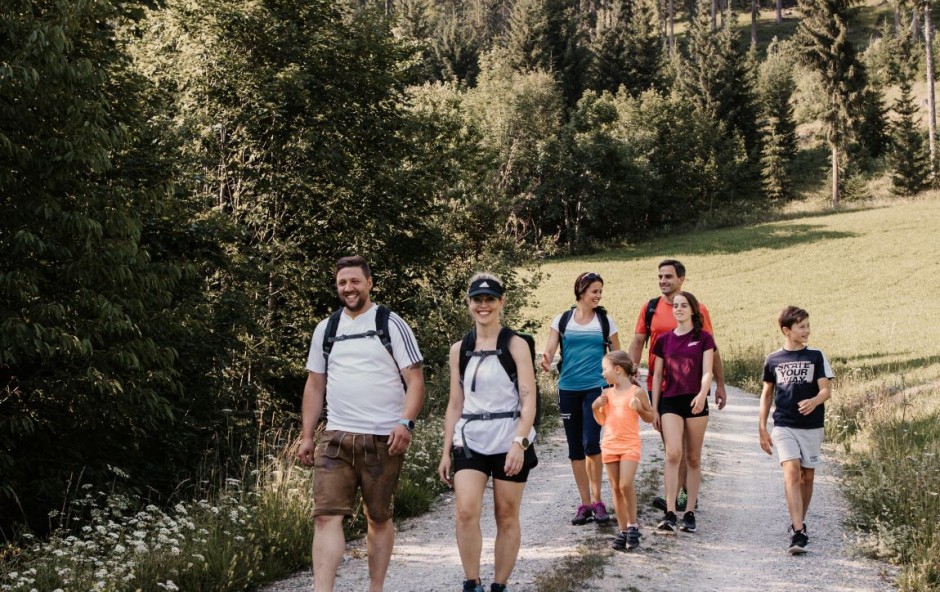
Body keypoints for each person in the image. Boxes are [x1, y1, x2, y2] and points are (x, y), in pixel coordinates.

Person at [297, 255, 425, 592]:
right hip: (336, 437)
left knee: (379, 518)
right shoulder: (327, 329)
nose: (348, 288)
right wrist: (307, 435)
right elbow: (315, 384)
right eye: (342, 283)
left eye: (354, 281)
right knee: (325, 516)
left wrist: (405, 423)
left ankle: (375, 588)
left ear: (369, 283)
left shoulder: (391, 323)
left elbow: (414, 380)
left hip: (383, 438)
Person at [438, 273, 538, 592]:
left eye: (490, 299)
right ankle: (472, 583)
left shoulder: (516, 344)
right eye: (477, 299)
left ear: (501, 302)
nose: (484, 305)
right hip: (470, 439)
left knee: (505, 514)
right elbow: (455, 402)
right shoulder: (459, 349)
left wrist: (519, 444)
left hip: (510, 436)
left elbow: (528, 400)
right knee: (466, 511)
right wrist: (445, 450)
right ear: (469, 303)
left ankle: (499, 585)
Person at [627, 259, 727, 512]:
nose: (663, 281)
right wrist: (630, 372)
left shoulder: (698, 309)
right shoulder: (650, 308)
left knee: (686, 448)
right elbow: (638, 341)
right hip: (659, 385)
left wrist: (720, 385)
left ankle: (684, 497)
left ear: (681, 279)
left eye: (668, 277)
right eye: (660, 276)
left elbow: (711, 350)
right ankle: (677, 495)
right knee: (672, 447)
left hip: (691, 386)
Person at [540, 272, 621, 526]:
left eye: (600, 291)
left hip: (595, 388)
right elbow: (551, 348)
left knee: (591, 444)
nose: (598, 295)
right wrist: (546, 359)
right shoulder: (562, 320)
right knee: (575, 447)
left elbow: (618, 355)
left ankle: (598, 502)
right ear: (581, 292)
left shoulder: (605, 322)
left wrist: (623, 380)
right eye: (594, 291)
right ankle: (584, 503)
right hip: (567, 388)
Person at [758, 306, 833, 554]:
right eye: (801, 327)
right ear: (786, 330)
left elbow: (826, 390)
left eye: (808, 326)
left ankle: (799, 519)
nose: (807, 330)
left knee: (807, 476)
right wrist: (761, 426)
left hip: (811, 427)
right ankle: (799, 531)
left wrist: (815, 401)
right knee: (791, 472)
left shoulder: (816, 356)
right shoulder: (773, 359)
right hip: (784, 425)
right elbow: (767, 394)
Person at [651, 291, 714, 535]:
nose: (678, 309)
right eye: (675, 305)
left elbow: (707, 371)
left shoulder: (704, 338)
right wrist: (654, 408)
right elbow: (657, 376)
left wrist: (702, 393)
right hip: (670, 402)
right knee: (673, 453)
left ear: (693, 310)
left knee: (693, 457)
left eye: (683, 305)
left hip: (695, 401)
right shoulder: (664, 340)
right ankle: (669, 512)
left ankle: (689, 512)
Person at [592, 351, 653, 551]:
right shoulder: (606, 394)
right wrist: (595, 408)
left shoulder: (636, 392)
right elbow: (602, 421)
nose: (603, 374)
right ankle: (623, 530)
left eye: (605, 369)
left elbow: (650, 418)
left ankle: (633, 525)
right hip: (610, 445)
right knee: (615, 487)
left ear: (617, 369)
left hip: (629, 444)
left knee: (626, 484)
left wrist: (640, 409)